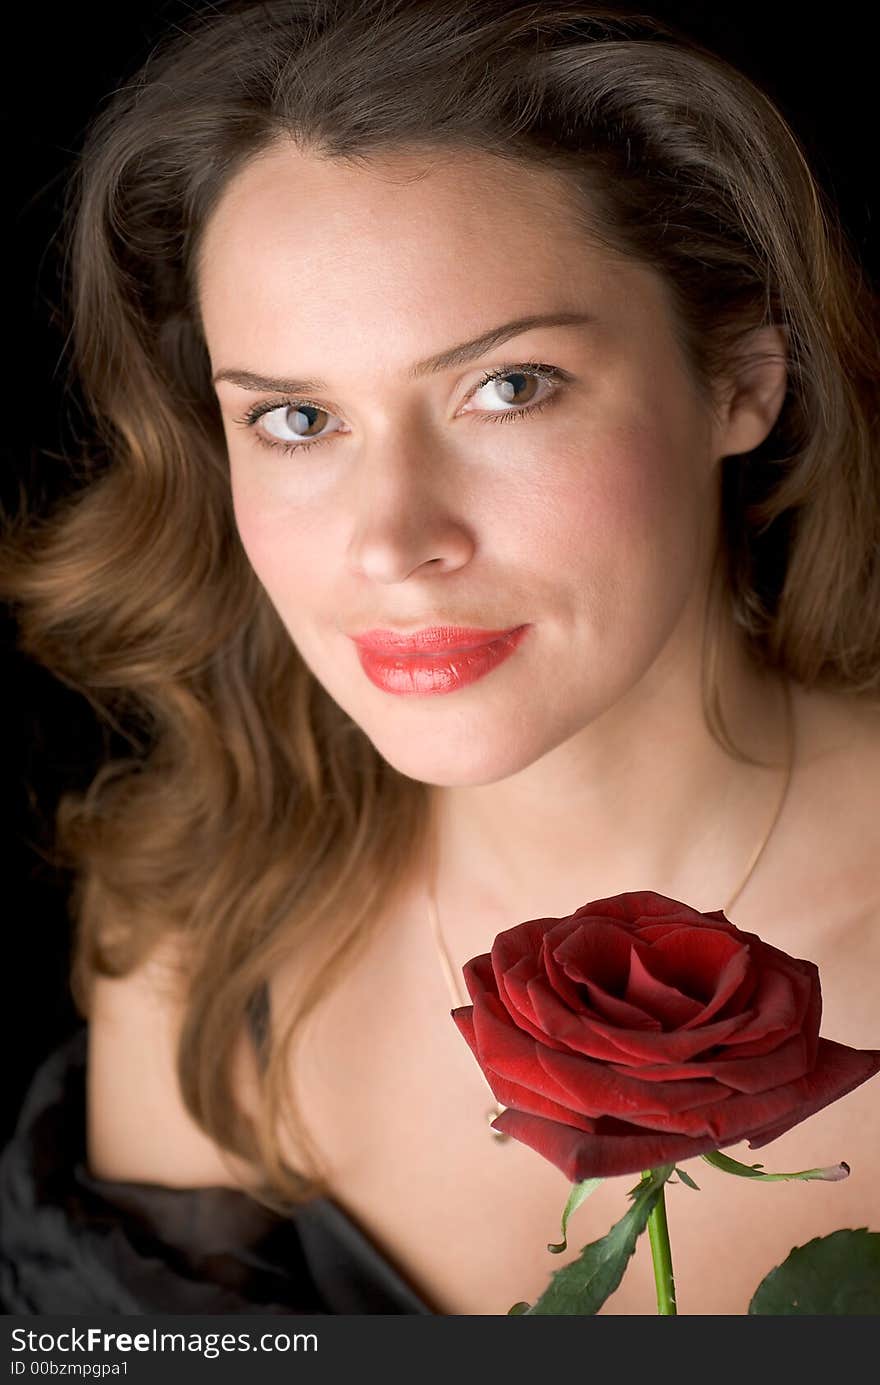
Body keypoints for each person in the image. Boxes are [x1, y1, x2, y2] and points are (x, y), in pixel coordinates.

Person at [1, 0, 878, 1317]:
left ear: (742, 376)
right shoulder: (198, 957)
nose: (395, 540)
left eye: (508, 386)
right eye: (298, 418)